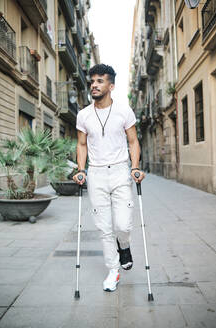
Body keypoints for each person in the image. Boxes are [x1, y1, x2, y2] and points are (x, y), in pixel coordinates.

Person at [73, 64, 145, 292]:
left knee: (123, 224)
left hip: (120, 172)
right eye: (92, 81)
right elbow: (82, 144)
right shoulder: (84, 115)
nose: (94, 85)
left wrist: (135, 167)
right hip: (96, 174)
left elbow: (133, 141)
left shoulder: (124, 111)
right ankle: (113, 271)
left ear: (111, 86)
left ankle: (124, 246)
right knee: (104, 227)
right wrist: (81, 169)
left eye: (100, 81)